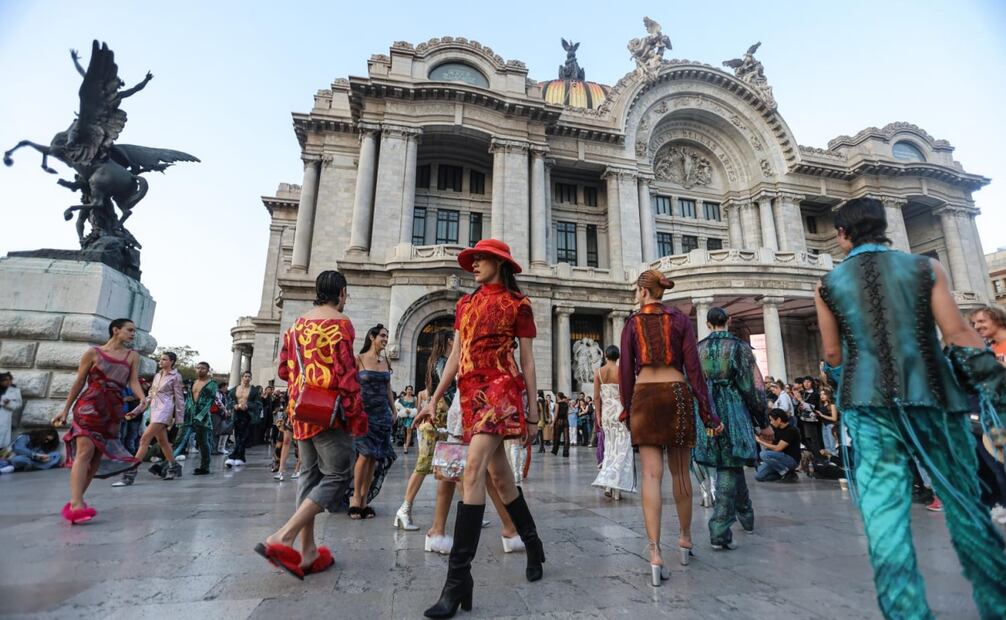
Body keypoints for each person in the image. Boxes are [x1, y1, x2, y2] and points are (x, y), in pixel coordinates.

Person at [815, 197, 1006, 619]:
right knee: (963, 501)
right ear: (884, 228)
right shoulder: (926, 268)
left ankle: (906, 612)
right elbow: (956, 334)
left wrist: (846, 370)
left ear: (842, 234)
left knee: (884, 514)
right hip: (934, 396)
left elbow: (831, 354)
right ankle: (998, 602)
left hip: (868, 405)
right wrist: (996, 384)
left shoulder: (828, 284)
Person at [420, 239, 543, 619]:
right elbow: (457, 355)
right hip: (471, 391)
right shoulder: (465, 304)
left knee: (472, 469)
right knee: (500, 478)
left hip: (502, 389)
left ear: (499, 263)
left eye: (481, 259)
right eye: (472, 259)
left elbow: (527, 360)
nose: (473, 264)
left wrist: (534, 413)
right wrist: (434, 398)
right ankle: (534, 544)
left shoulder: (519, 305)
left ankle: (457, 581)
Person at [257, 270, 367, 579]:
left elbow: (282, 369)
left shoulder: (296, 324)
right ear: (342, 293)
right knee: (338, 475)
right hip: (328, 412)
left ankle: (307, 551)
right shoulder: (340, 324)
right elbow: (347, 375)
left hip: (300, 409)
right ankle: (284, 536)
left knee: (309, 475)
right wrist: (356, 414)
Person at [619, 269, 722, 586]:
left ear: (642, 291)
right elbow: (694, 370)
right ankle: (686, 538)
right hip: (677, 394)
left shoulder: (632, 324)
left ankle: (654, 553)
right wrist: (709, 416)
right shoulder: (679, 320)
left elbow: (626, 370)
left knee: (652, 474)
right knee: (680, 472)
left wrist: (626, 407)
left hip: (646, 397)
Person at [52, 318, 145, 523]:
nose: (133, 334)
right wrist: (65, 410)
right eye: (130, 330)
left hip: (113, 408)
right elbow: (79, 382)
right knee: (85, 450)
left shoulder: (132, 356)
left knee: (96, 456)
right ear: (115, 330)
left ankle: (77, 501)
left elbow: (132, 381)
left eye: (134, 331)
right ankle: (76, 504)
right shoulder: (93, 353)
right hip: (89, 404)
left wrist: (143, 398)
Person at [694, 307, 769, 550]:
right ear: (729, 320)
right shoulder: (739, 347)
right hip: (733, 409)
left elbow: (691, 383)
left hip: (708, 411)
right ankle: (720, 528)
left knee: (730, 462)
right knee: (728, 464)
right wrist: (763, 421)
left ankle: (746, 512)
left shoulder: (698, 349)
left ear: (707, 324)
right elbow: (753, 387)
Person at [395, 331, 454, 533]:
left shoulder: (436, 362)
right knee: (424, 464)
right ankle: (404, 509)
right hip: (437, 421)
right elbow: (446, 395)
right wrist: (456, 416)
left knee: (454, 464)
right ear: (448, 341)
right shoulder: (443, 363)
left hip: (439, 421)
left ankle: (470, 508)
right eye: (455, 339)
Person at [114, 352, 186, 485]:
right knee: (163, 441)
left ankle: (130, 474)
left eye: (164, 359)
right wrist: (136, 411)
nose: (161, 361)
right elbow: (150, 395)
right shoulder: (158, 375)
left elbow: (180, 399)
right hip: (154, 410)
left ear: (172, 361)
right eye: (161, 359)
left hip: (165, 411)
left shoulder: (176, 376)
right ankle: (174, 466)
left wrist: (179, 419)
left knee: (144, 439)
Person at [349, 324, 397, 519]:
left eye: (387, 336)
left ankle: (365, 499)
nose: (385, 339)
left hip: (382, 415)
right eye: (383, 336)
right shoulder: (358, 359)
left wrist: (393, 409)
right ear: (372, 336)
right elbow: (350, 386)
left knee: (374, 458)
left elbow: (387, 388)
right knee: (363, 455)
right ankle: (355, 498)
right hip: (363, 415)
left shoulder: (385, 360)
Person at [592, 345, 635, 500]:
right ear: (618, 357)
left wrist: (598, 415)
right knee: (622, 448)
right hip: (620, 412)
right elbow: (628, 393)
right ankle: (616, 486)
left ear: (605, 355)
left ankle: (609, 484)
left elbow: (596, 397)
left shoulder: (599, 372)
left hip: (607, 413)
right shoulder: (622, 372)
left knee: (609, 447)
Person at [172, 362, 217, 476]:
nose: (200, 370)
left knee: (203, 442)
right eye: (198, 368)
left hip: (203, 417)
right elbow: (189, 400)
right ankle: (168, 464)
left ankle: (205, 467)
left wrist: (200, 416)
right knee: (179, 439)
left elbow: (210, 402)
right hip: (189, 415)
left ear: (208, 370)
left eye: (203, 368)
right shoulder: (193, 383)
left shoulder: (212, 384)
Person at [754, 410, 800, 482]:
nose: (771, 422)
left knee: (763, 454)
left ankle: (786, 472)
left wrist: (760, 441)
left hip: (791, 459)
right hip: (778, 458)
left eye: (771, 420)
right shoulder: (776, 429)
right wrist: (760, 438)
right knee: (759, 476)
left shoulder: (791, 430)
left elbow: (778, 448)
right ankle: (782, 474)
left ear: (778, 420)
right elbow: (772, 443)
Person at [226, 372, 260, 468]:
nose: (247, 378)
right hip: (237, 414)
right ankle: (240, 457)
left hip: (248, 415)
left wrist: (247, 405)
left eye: (249, 376)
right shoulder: (234, 389)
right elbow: (229, 401)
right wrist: (234, 405)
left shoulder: (254, 391)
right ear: (242, 377)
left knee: (243, 437)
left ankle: (233, 456)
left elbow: (258, 404)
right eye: (245, 376)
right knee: (237, 436)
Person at [0, 372, 23, 449]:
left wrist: (8, 403)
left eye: (10, 379)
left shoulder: (15, 390)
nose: (8, 381)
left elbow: (19, 404)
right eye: (5, 380)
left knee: (2, 438)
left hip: (5, 417)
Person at [119, 384, 141, 456]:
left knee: (123, 434)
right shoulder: (116, 387)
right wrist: (123, 399)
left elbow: (134, 396)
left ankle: (121, 453)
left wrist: (127, 398)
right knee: (118, 435)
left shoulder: (126, 388)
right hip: (117, 414)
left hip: (125, 414)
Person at [397, 385, 418, 454]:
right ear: (406, 390)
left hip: (410, 417)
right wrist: (402, 411)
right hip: (403, 416)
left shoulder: (414, 398)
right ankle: (404, 443)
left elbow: (416, 408)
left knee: (409, 430)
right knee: (403, 432)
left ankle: (406, 447)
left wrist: (412, 412)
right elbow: (397, 407)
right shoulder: (402, 398)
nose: (409, 391)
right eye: (408, 389)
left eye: (411, 389)